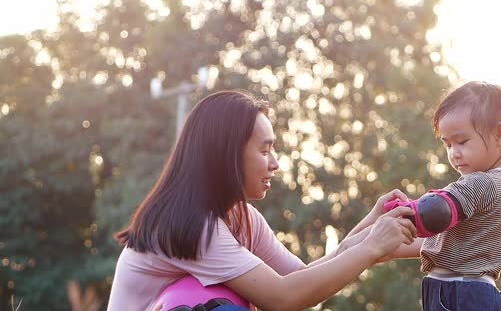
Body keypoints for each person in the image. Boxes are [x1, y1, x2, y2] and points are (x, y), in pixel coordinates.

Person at [106, 90, 417, 311]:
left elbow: (302, 279)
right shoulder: (191, 224)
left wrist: (372, 229)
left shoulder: (243, 218)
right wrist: (372, 245)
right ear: (227, 154)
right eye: (265, 150)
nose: (275, 163)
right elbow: (284, 298)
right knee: (208, 303)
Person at [347, 81, 501, 310]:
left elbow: (435, 212)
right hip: (461, 293)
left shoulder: (483, 183)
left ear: (500, 134)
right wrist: (372, 244)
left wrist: (402, 213)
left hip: (464, 297)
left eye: (462, 141)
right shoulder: (498, 182)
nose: (454, 154)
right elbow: (441, 243)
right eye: (448, 145)